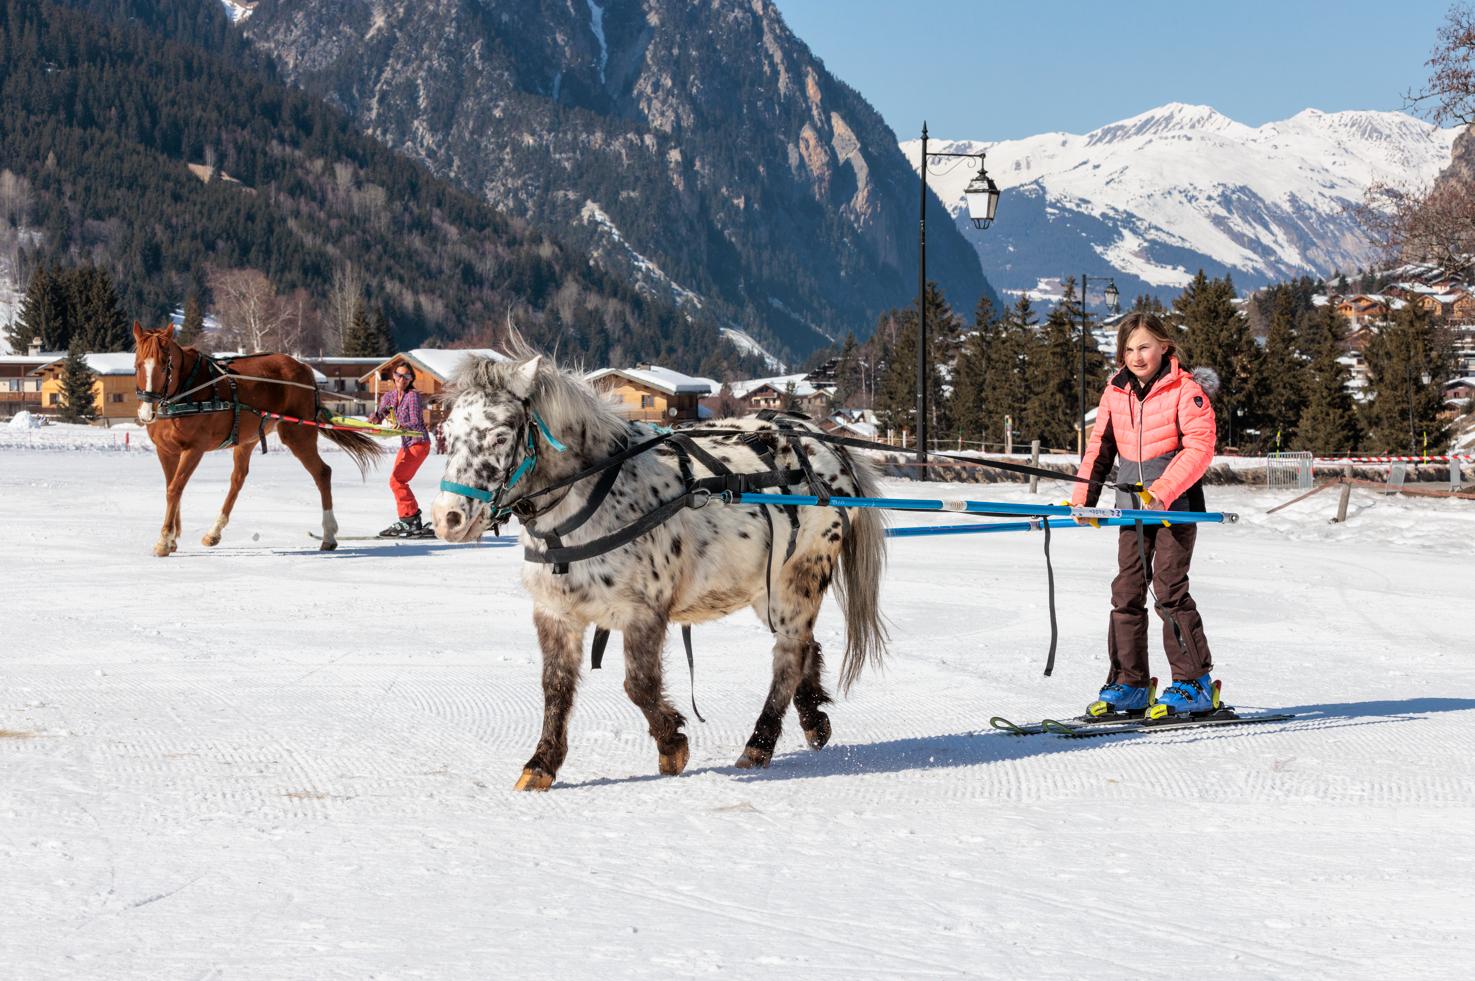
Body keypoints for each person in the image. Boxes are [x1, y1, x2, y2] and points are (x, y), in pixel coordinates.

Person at [1071, 312, 1219, 719]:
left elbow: (1200, 448)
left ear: (1164, 347)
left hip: (1177, 509)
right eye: (1129, 349)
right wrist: (1084, 499)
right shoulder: (1115, 392)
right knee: (1126, 593)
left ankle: (1193, 683)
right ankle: (1130, 683)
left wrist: (1163, 491)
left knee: (1169, 592)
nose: (1137, 356)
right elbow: (1099, 449)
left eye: (1145, 346)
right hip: (1130, 512)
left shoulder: (1185, 390)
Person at [369, 363, 434, 537]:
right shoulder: (389, 395)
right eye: (399, 375)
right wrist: (374, 418)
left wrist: (402, 425)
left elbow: (415, 421)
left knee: (397, 481)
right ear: (394, 376)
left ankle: (410, 519)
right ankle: (410, 519)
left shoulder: (413, 396)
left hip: (418, 443)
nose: (401, 379)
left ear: (411, 378)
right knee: (395, 481)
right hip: (406, 445)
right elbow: (381, 412)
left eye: (406, 376)